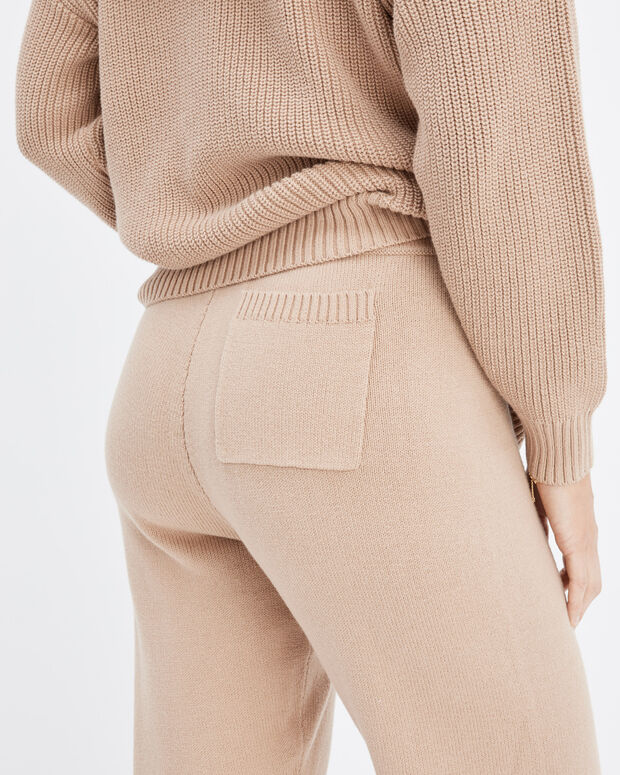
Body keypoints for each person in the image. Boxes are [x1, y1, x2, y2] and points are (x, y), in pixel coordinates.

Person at [16, 0, 606, 772]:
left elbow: (48, 111)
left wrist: (207, 221)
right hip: (353, 351)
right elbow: (498, 122)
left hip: (166, 372)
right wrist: (559, 430)